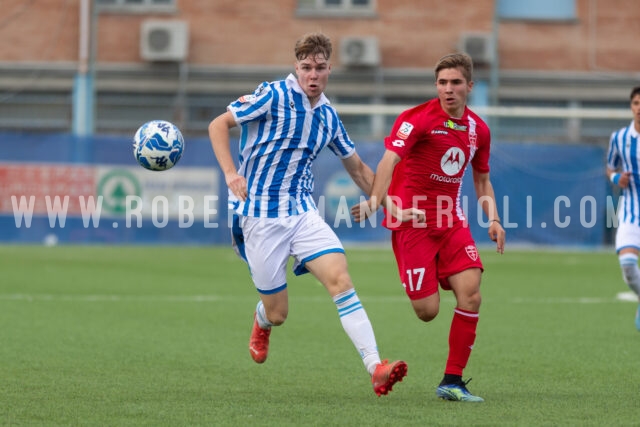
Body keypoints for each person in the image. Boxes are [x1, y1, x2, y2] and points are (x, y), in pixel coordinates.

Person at [208, 32, 407, 396]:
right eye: (305, 68)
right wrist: (230, 174)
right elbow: (218, 125)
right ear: (295, 68)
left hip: (302, 212)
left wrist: (389, 205)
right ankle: (262, 319)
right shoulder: (273, 95)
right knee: (279, 312)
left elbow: (361, 170)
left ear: (329, 69)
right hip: (259, 216)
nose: (312, 75)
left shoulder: (329, 117)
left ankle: (375, 366)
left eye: (319, 68)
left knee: (340, 280)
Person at [351, 52, 505, 402]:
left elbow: (482, 179)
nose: (448, 90)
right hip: (413, 222)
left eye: (455, 83)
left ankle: (452, 381)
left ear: (469, 85)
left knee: (472, 293)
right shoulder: (416, 119)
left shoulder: (479, 129)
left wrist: (493, 219)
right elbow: (389, 159)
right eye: (442, 83)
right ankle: (432, 271)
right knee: (427, 312)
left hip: (450, 221)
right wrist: (377, 201)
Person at [606, 85, 640, 331]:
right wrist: (617, 179)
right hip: (631, 210)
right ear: (631, 106)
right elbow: (610, 167)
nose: (639, 108)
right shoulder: (619, 138)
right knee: (628, 267)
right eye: (636, 103)